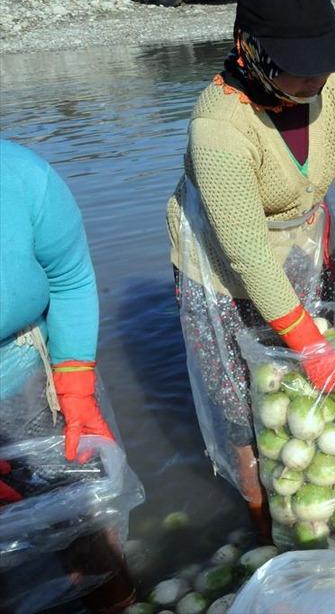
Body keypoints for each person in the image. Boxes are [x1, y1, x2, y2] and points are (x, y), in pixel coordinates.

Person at [166, 0, 335, 529]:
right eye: (298, 65)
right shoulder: (219, 125)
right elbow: (245, 253)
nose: (315, 78)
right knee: (242, 400)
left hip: (301, 243)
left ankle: (324, 502)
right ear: (251, 48)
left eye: (322, 61)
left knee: (304, 390)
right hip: (221, 264)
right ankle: (259, 510)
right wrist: (305, 341)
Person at [0, 139, 135, 611]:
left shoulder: (24, 177)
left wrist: (75, 387)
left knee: (81, 519)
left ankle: (114, 600)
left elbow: (70, 276)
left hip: (26, 376)